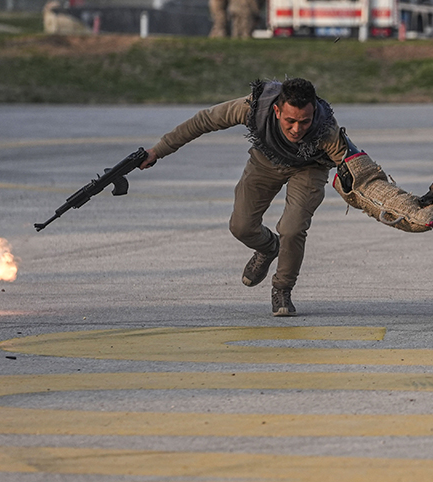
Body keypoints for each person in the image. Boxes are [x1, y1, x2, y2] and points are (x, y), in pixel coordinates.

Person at [139, 78, 348, 317]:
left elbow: (356, 167)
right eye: (290, 120)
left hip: (310, 168)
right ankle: (269, 248)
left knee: (292, 228)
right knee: (241, 226)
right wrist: (157, 151)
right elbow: (204, 120)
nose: (297, 129)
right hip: (266, 160)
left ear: (313, 113)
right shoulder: (254, 107)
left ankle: (282, 289)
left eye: (304, 122)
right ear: (277, 111)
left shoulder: (327, 128)